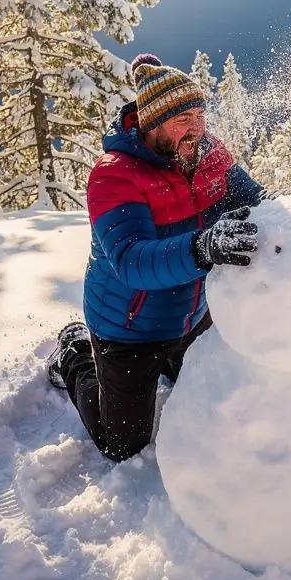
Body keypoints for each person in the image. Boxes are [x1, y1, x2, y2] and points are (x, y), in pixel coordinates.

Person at [47, 53, 263, 462]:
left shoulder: (210, 153)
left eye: (200, 114)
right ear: (152, 123)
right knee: (122, 445)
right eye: (184, 119)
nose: (197, 128)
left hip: (192, 315)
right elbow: (130, 260)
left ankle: (170, 362)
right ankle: (75, 355)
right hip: (128, 330)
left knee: (220, 403)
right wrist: (204, 247)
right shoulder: (115, 175)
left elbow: (255, 200)